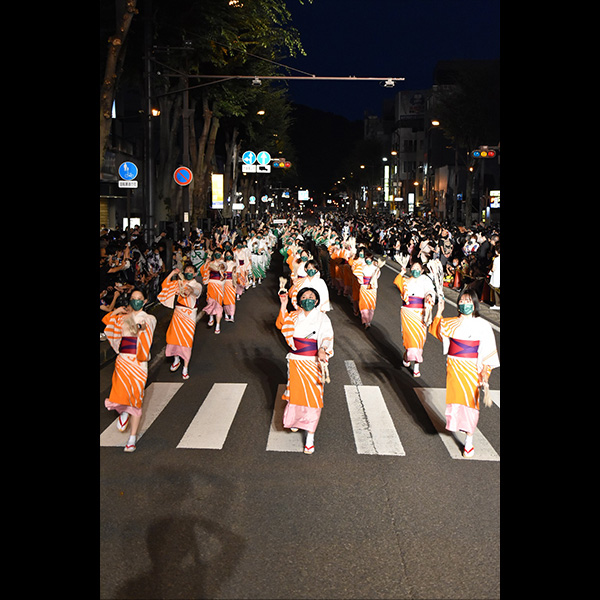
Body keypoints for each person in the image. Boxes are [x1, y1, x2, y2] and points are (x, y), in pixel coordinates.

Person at [429, 288, 500, 457]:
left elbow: (488, 351)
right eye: (462, 301)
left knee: (471, 404)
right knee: (455, 402)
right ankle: (459, 426)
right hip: (454, 367)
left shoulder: (483, 325)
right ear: (458, 304)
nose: (465, 304)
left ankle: (469, 441)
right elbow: (437, 332)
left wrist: (485, 373)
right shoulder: (451, 322)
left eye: (469, 302)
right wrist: (438, 312)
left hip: (472, 368)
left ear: (474, 305)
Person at [276, 287, 334, 455]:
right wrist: (284, 304)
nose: (308, 299)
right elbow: (282, 324)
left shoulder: (323, 318)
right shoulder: (294, 315)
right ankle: (295, 420)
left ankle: (310, 437)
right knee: (295, 395)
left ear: (316, 301)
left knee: (314, 399)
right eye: (304, 297)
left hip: (313, 362)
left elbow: (326, 336)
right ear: (299, 301)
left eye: (311, 297)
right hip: (296, 361)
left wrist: (323, 348)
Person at [103, 288, 157, 452]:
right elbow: (107, 321)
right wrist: (116, 311)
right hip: (123, 360)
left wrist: (137, 325)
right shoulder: (122, 318)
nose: (136, 301)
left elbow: (144, 326)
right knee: (119, 392)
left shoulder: (149, 318)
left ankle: (132, 438)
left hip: (139, 363)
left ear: (145, 301)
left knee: (136, 398)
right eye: (133, 298)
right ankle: (124, 413)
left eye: (139, 298)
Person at [158, 264, 203, 379]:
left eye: (191, 271)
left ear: (194, 274)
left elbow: (196, 292)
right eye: (186, 270)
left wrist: (189, 288)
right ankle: (176, 359)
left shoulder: (197, 285)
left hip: (189, 314)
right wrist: (173, 273)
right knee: (173, 337)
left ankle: (185, 367)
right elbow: (165, 285)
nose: (188, 272)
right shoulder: (179, 283)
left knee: (187, 340)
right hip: (178, 312)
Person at [393, 259, 435, 377]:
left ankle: (416, 365)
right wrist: (401, 272)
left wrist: (429, 296)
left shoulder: (425, 280)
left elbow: (430, 290)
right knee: (409, 338)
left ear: (422, 271)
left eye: (418, 269)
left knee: (419, 340)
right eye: (413, 268)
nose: (415, 270)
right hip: (407, 313)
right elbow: (397, 282)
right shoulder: (406, 281)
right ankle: (407, 356)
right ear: (410, 269)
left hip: (420, 313)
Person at [357, 252, 381, 329]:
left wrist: (377, 269)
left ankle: (369, 321)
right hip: (364, 287)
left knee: (370, 305)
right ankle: (365, 321)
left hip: (372, 289)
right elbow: (358, 275)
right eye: (366, 259)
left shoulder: (375, 268)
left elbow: (377, 276)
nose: (368, 261)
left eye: (369, 259)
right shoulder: (362, 267)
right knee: (364, 304)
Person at [488, 243, 500, 309]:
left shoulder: (496, 259)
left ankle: (497, 304)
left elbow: (493, 268)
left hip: (496, 275)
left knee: (495, 290)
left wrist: (490, 272)